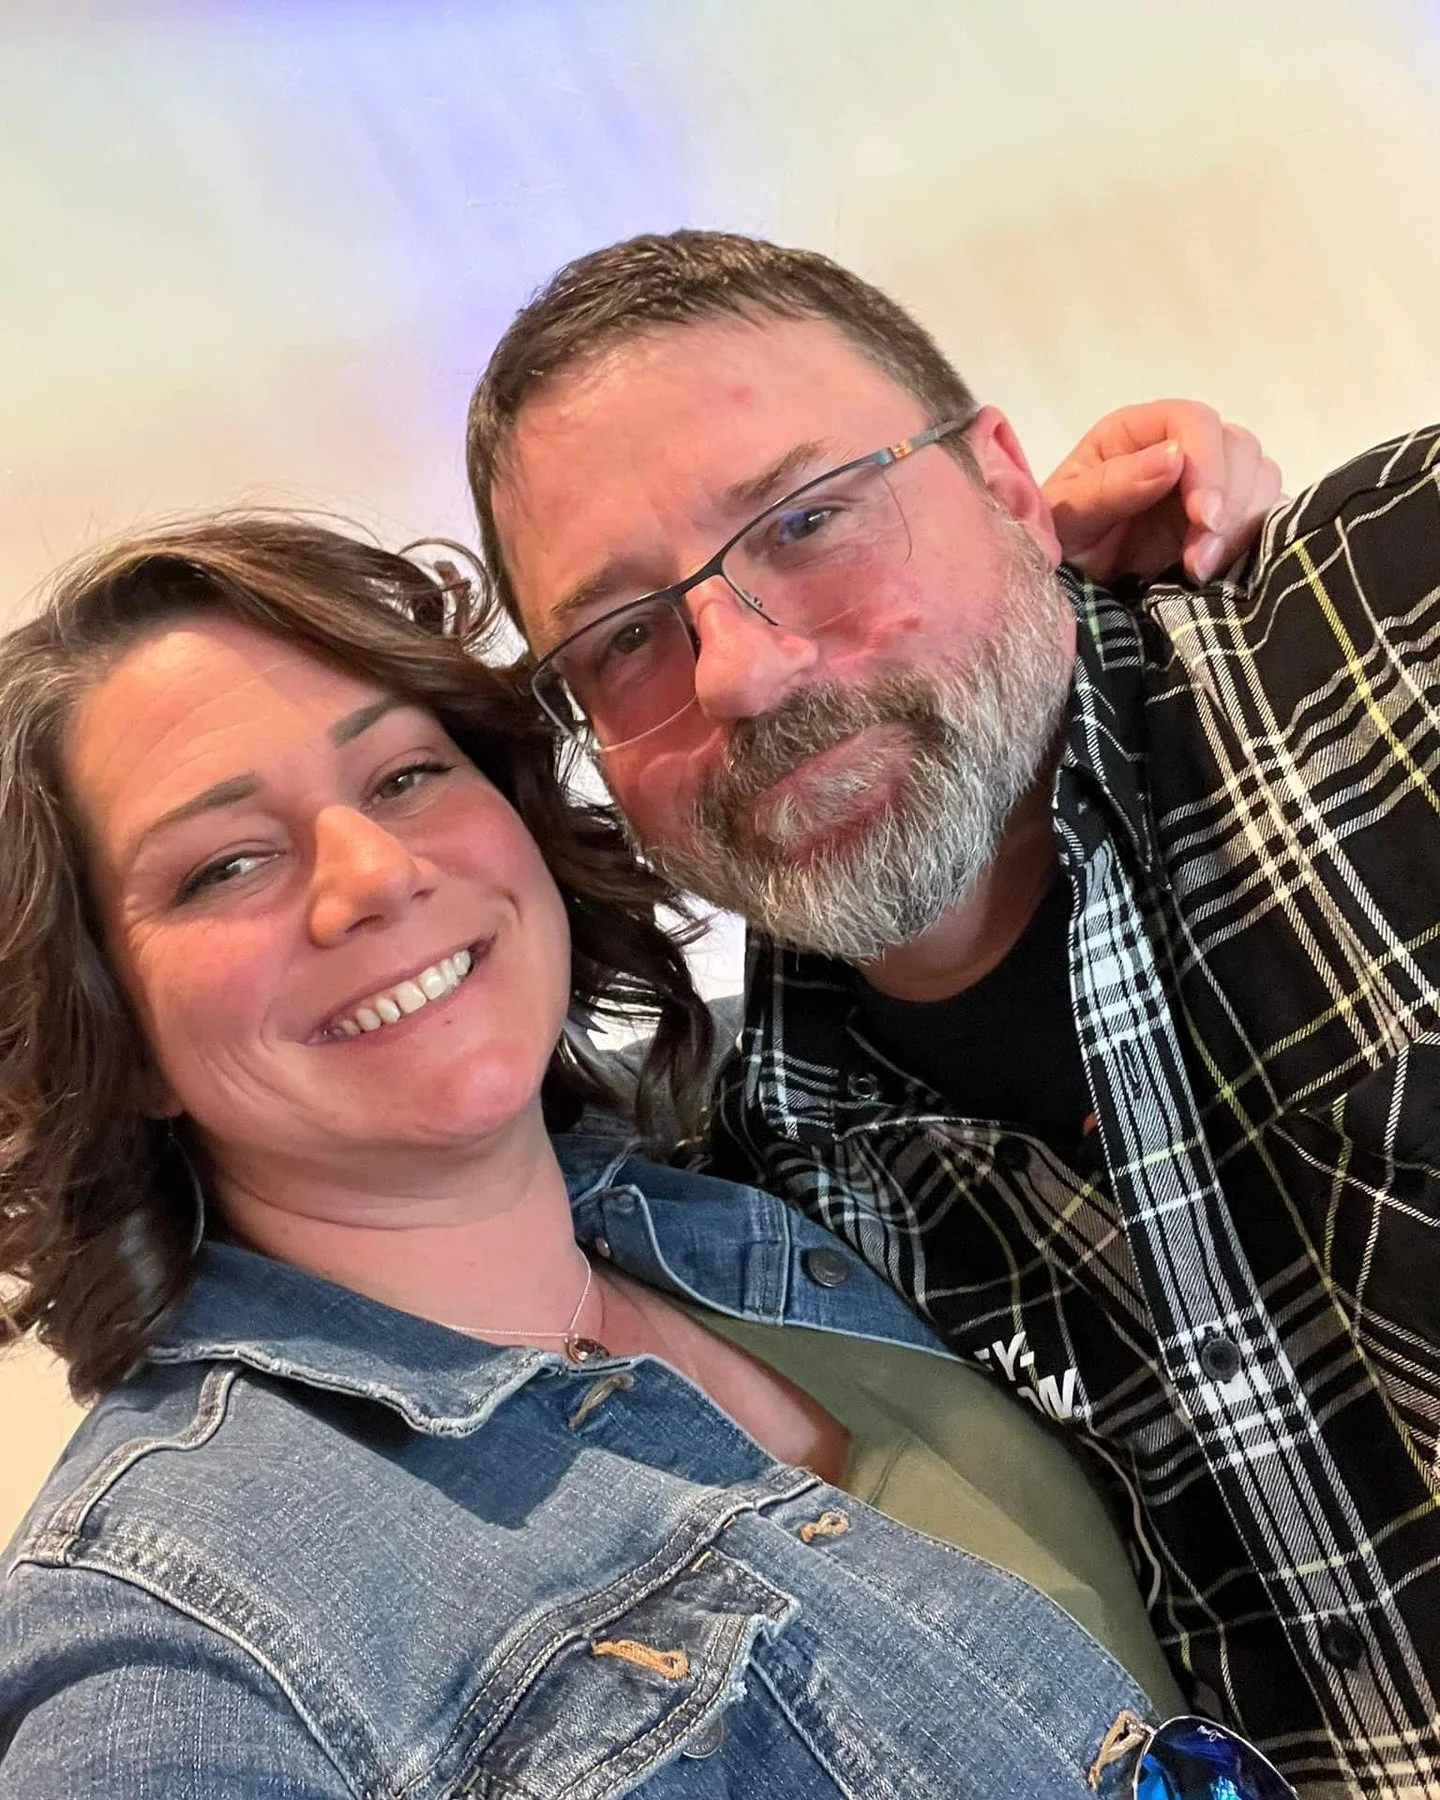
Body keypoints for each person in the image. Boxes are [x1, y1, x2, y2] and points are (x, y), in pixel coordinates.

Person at [0, 515, 1301, 1800]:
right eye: (225, 865)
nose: (375, 874)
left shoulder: (753, 1144)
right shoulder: (173, 1623)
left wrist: (1083, 584)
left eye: (403, 776)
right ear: (112, 1028)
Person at [465, 227, 1440, 1798]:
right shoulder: (741, 1229)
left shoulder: (1393, 631)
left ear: (1004, 481)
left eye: (806, 521)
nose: (740, 677)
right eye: (627, 636)